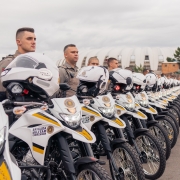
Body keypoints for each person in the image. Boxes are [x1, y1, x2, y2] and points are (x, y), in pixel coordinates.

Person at [0, 27, 36, 101]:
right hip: (14, 108)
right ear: (19, 42)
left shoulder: (35, 64)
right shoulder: (9, 62)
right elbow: (2, 93)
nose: (33, 42)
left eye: (34, 39)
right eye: (29, 39)